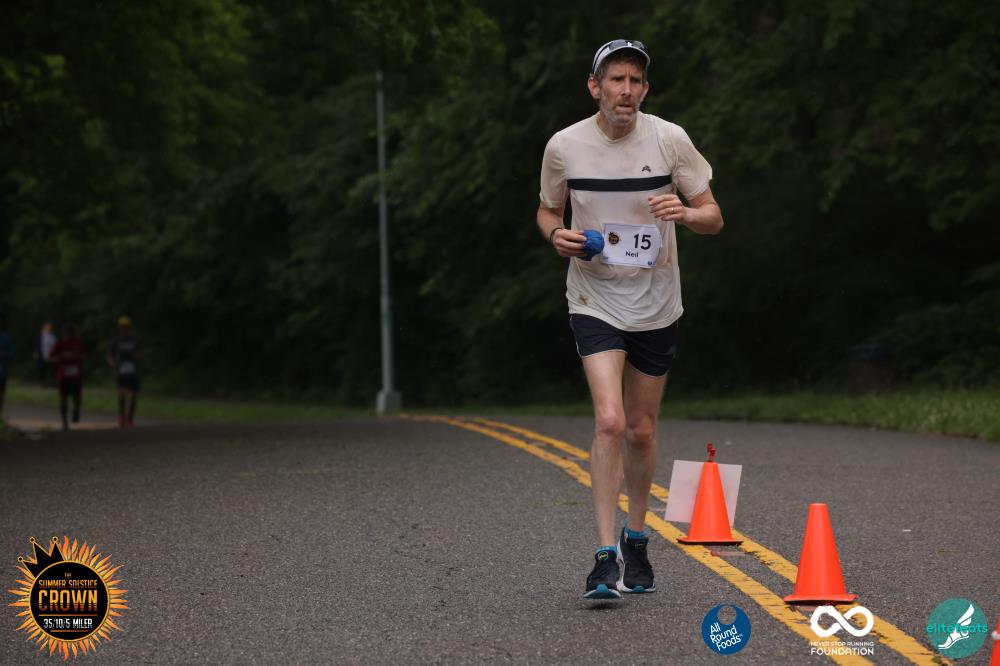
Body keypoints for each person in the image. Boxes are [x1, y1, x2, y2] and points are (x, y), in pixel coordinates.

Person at [536, 39, 724, 599]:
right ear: (595, 87)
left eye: (635, 81)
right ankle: (604, 558)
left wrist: (685, 213)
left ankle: (636, 537)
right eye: (616, 80)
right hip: (593, 297)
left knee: (641, 430)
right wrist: (556, 234)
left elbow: (714, 216)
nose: (626, 90)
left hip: (656, 301)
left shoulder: (669, 139)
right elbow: (547, 209)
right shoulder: (565, 146)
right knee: (611, 422)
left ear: (645, 89)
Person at [49, 324, 85, 430]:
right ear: (63, 334)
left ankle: (76, 410)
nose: (68, 335)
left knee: (76, 396)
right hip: (63, 375)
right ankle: (64, 421)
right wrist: (59, 358)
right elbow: (50, 358)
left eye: (70, 333)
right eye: (66, 333)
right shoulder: (59, 344)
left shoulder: (77, 343)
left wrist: (76, 357)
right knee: (63, 398)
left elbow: (83, 355)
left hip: (75, 375)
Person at [107, 316, 140, 427]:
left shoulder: (135, 340)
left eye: (126, 327)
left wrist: (136, 357)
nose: (124, 329)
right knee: (121, 394)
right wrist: (112, 362)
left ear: (129, 327)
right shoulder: (116, 341)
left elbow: (140, 353)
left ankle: (130, 418)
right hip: (121, 370)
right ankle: (122, 416)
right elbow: (110, 355)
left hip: (132, 370)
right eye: (122, 327)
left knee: (133, 394)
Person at [0, 314, 15, 414]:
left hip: (2, 371)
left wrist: (3, 354)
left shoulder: (6, 337)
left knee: (1, 393)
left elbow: (12, 353)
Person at [34, 322, 57, 386]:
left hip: (51, 357)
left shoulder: (52, 336)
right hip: (42, 356)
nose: (49, 329)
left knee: (51, 371)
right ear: (44, 327)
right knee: (42, 370)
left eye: (50, 327)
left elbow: (55, 345)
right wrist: (36, 353)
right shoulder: (39, 336)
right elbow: (36, 345)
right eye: (48, 327)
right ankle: (43, 384)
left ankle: (52, 383)